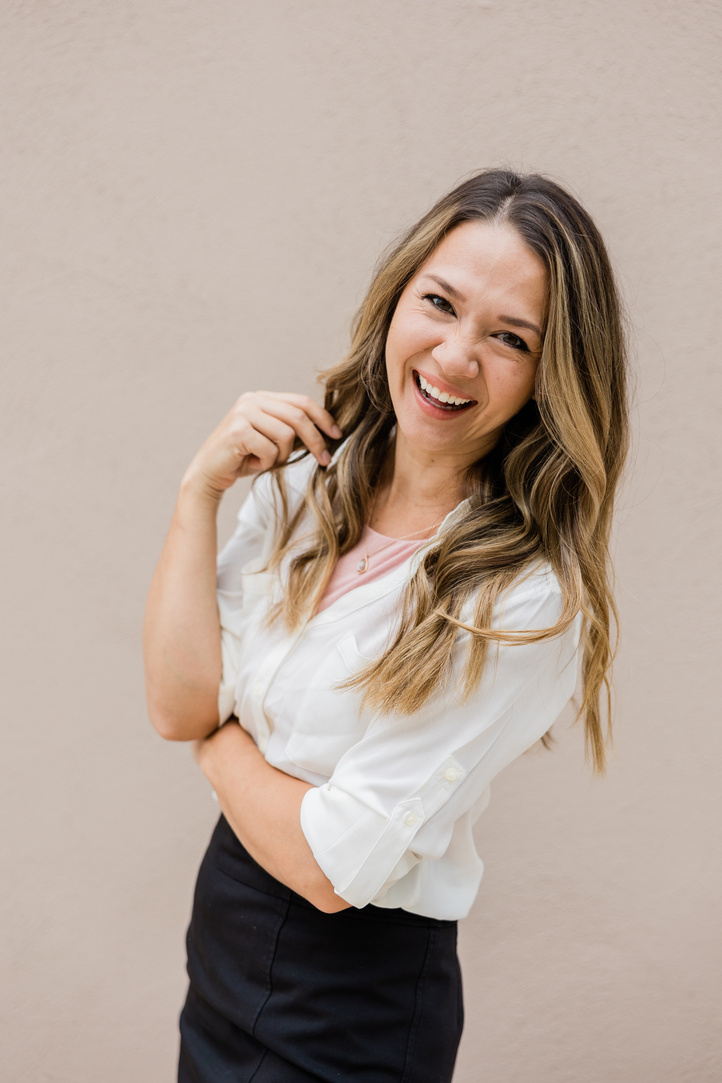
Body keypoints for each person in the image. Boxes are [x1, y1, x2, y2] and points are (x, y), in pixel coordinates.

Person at [143, 168, 629, 1083]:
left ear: (549, 376)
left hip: (352, 1008)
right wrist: (198, 493)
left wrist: (219, 747)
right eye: (439, 303)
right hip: (225, 942)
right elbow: (177, 703)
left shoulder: (524, 597)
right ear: (397, 294)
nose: (453, 357)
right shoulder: (303, 480)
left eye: (509, 338)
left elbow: (333, 867)